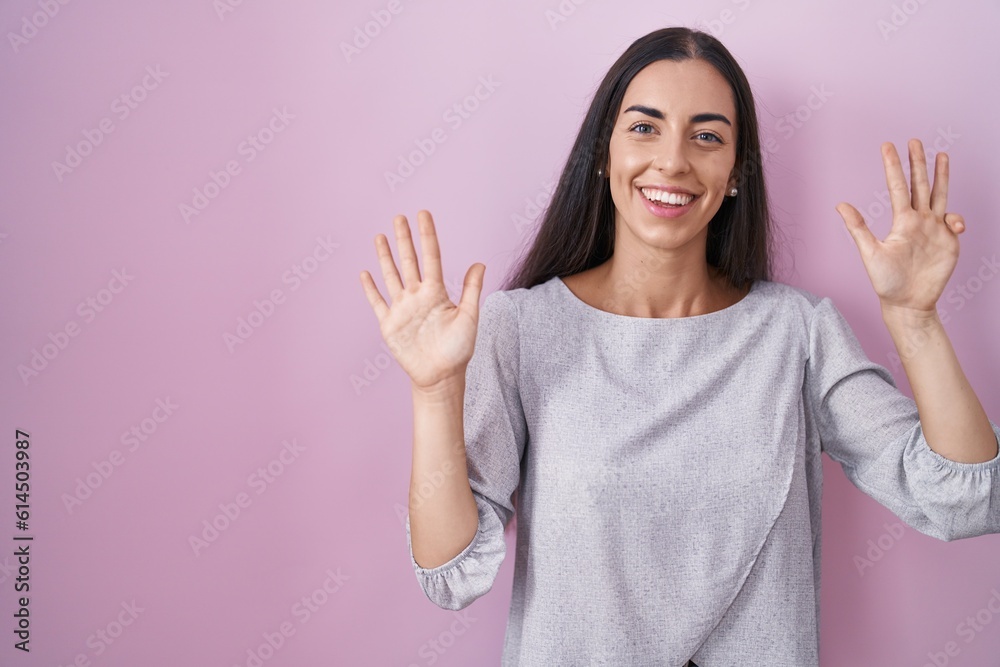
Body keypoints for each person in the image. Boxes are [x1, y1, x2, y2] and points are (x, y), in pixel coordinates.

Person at [359, 26, 1000, 666]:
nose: (672, 161)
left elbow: (966, 498)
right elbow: (450, 571)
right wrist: (435, 390)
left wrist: (915, 319)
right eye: (644, 127)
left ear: (735, 174)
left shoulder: (797, 334)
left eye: (707, 136)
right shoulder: (521, 329)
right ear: (604, 154)